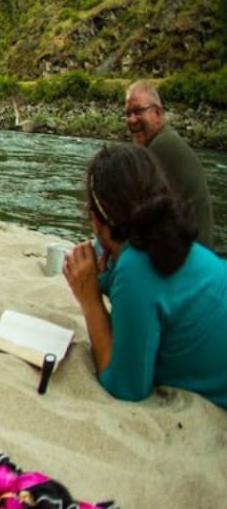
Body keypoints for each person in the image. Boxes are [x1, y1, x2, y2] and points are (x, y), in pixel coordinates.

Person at [62, 143, 227, 407]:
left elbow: (125, 386)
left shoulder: (135, 266)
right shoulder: (165, 236)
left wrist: (90, 298)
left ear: (95, 218)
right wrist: (99, 274)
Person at [124, 80, 214, 248]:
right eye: (128, 114)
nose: (132, 120)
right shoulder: (163, 141)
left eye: (137, 111)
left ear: (157, 113)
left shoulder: (161, 147)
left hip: (188, 258)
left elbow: (134, 212)